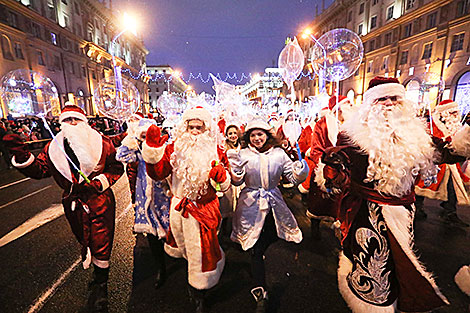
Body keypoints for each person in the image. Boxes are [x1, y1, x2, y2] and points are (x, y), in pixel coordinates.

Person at [316, 76, 470, 312]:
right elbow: (338, 174)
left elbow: (450, 153)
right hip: (368, 213)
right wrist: (333, 170)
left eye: (394, 98)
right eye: (381, 99)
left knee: (397, 261)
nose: (388, 103)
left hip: (404, 212)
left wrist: (467, 133)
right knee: (373, 264)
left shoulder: (418, 135)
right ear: (370, 104)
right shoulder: (351, 135)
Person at [3, 105, 124, 312]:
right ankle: (97, 274)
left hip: (100, 199)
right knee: (85, 238)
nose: (72, 124)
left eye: (76, 120)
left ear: (84, 122)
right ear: (62, 124)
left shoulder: (101, 142)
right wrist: (22, 156)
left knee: (101, 240)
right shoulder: (53, 147)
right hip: (74, 204)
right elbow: (40, 170)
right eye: (68, 121)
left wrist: (100, 183)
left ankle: (102, 287)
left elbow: (116, 167)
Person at [142, 106, 231, 313]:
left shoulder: (216, 150)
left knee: (203, 254)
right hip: (179, 208)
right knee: (187, 250)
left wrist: (222, 177)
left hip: (205, 210)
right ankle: (196, 285)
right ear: (184, 127)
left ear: (206, 129)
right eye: (191, 127)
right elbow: (158, 173)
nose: (195, 132)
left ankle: (199, 292)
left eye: (199, 128)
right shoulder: (174, 148)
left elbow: (225, 183)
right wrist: (152, 152)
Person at [228, 119, 308, 313]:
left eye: (260, 134)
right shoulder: (243, 154)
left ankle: (260, 250)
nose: (257, 138)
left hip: (273, 202)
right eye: (253, 135)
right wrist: (236, 170)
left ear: (267, 135)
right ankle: (260, 292)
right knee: (254, 249)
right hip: (250, 204)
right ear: (248, 137)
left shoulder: (279, 154)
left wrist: (300, 170)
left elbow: (292, 177)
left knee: (270, 235)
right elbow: (237, 182)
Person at [116, 118, 171, 288]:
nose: (147, 138)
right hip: (145, 199)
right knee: (152, 236)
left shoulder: (164, 145)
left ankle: (179, 262)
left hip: (164, 196)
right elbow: (121, 155)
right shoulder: (138, 150)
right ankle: (161, 268)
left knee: (171, 233)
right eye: (144, 135)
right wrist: (131, 138)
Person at [302, 95, 352, 240]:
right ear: (339, 108)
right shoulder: (322, 124)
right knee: (319, 204)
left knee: (341, 206)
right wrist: (328, 163)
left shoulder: (352, 125)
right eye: (347, 104)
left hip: (344, 173)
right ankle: (315, 233)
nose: (350, 106)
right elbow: (316, 148)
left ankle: (341, 235)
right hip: (324, 169)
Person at [415, 100, 470, 227]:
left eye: (456, 112)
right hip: (432, 162)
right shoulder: (432, 125)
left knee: (452, 187)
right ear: (443, 113)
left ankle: (450, 211)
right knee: (421, 185)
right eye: (452, 112)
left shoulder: (456, 126)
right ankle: (418, 207)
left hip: (449, 164)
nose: (455, 115)